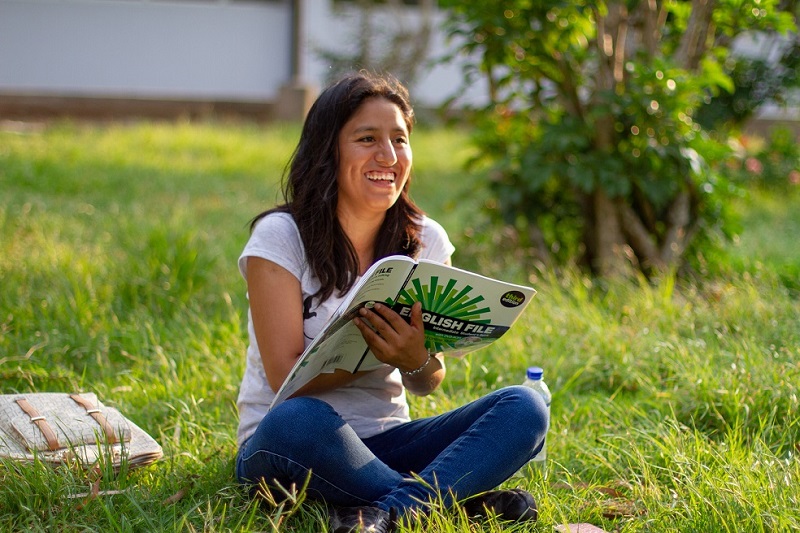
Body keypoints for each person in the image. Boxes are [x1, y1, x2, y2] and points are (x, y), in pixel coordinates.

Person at [235, 72, 548, 533]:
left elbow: (427, 381)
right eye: (367, 138)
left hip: (387, 440)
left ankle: (387, 512)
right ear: (329, 150)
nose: (388, 155)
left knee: (525, 408)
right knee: (299, 420)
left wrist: (415, 359)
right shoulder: (280, 238)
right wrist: (379, 354)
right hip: (289, 444)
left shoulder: (424, 239)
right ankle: (450, 505)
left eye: (399, 140)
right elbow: (286, 380)